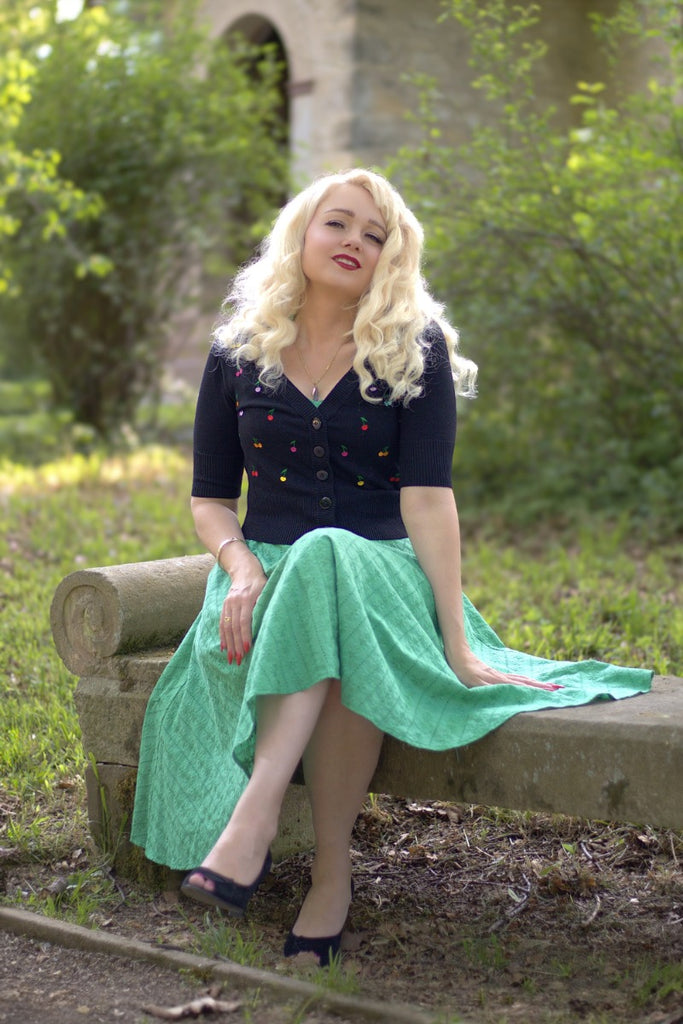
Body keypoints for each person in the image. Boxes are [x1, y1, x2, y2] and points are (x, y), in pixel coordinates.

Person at [130, 168, 652, 966]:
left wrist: (458, 642)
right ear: (301, 234)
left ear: (391, 259)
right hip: (265, 586)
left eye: (375, 236)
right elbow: (209, 501)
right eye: (338, 224)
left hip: (384, 579)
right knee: (324, 604)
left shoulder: (414, 351)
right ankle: (330, 878)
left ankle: (255, 818)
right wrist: (237, 568)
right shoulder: (236, 352)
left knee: (332, 554)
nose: (354, 243)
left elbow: (428, 503)